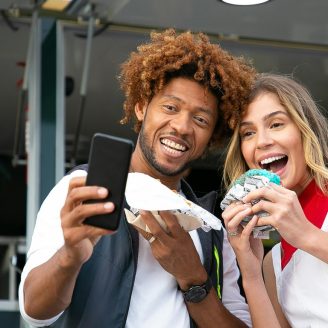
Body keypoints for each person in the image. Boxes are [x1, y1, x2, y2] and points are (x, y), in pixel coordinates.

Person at [19, 29, 256, 327]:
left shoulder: (211, 230)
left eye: (200, 120)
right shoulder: (81, 189)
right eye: (170, 107)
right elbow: (33, 313)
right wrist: (70, 256)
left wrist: (193, 277)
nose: (182, 126)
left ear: (211, 138)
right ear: (142, 107)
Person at [221, 73, 328, 327]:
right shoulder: (273, 262)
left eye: (276, 124)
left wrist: (306, 235)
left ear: (305, 129)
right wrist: (251, 271)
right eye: (248, 133)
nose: (262, 141)